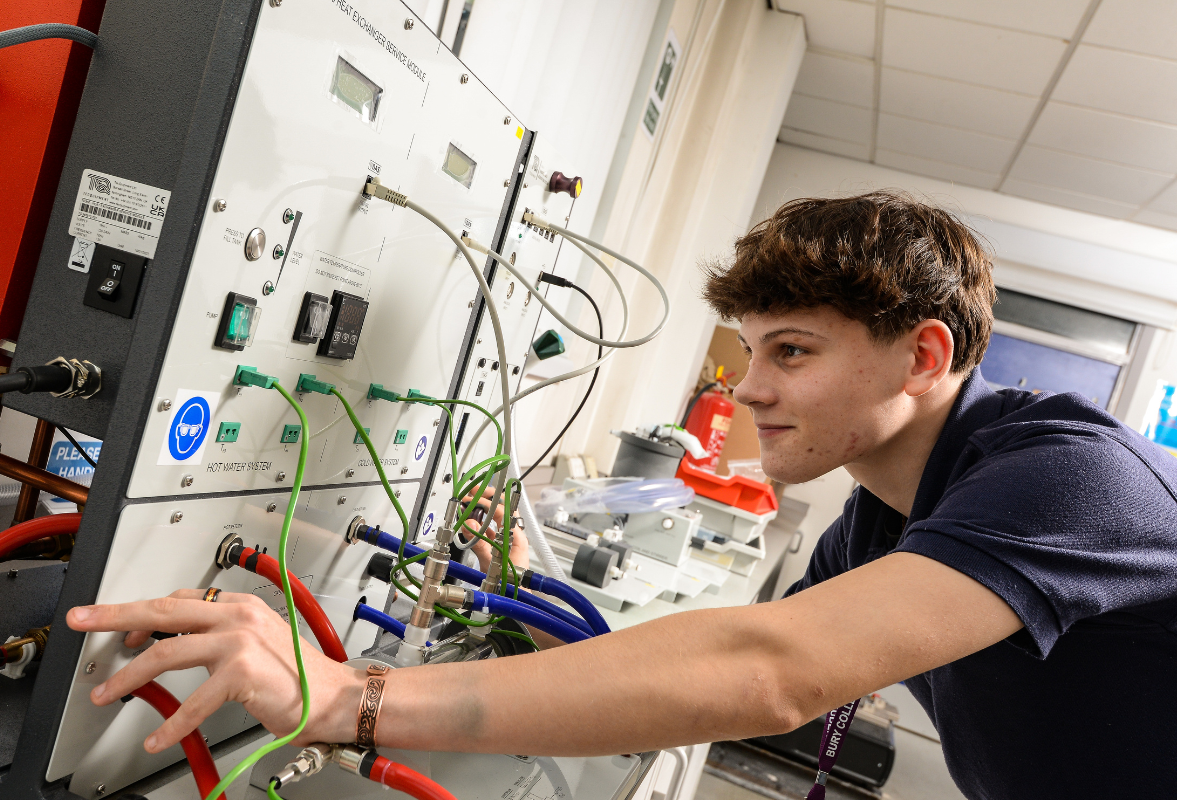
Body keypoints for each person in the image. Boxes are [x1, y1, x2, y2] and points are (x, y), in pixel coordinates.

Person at [67, 192, 1177, 798]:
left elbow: (766, 671)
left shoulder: (1072, 476)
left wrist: (354, 698)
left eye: (790, 351)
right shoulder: (881, 521)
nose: (748, 389)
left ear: (923, 354)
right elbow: (751, 642)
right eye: (749, 350)